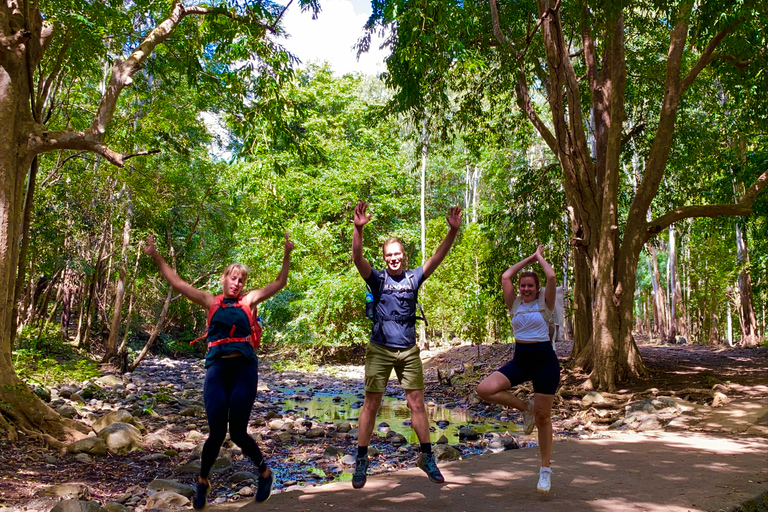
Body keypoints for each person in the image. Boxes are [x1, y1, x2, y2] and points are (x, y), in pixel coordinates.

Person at [144, 233, 294, 508]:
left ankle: (264, 473)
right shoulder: (207, 300)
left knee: (237, 432)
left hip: (244, 369)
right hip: (217, 369)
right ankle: (203, 481)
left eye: (241, 280)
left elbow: (280, 282)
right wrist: (156, 256)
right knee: (215, 432)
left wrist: (286, 253)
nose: (237, 283)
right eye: (233, 278)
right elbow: (176, 282)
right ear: (223, 279)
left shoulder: (249, 301)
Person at [350, 201, 461, 489]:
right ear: (385, 258)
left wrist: (452, 232)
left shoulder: (413, 278)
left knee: (417, 405)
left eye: (397, 254)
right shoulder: (377, 279)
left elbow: (438, 256)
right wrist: (358, 229)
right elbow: (357, 257)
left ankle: (426, 457)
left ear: (404, 255)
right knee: (371, 404)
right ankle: (361, 460)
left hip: (408, 352)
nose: (394, 258)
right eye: (389, 255)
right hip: (380, 349)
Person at [476, 245, 560, 494]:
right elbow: (505, 277)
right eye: (522, 285)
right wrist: (527, 259)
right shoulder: (514, 304)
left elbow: (552, 277)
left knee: (544, 419)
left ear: (537, 289)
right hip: (521, 361)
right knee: (485, 389)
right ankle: (526, 408)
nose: (525, 289)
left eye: (530, 286)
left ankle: (545, 471)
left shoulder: (546, 303)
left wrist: (539, 258)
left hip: (545, 362)